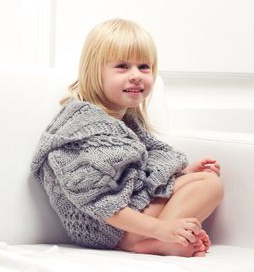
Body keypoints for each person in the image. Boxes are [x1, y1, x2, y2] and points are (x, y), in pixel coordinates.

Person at [31, 18, 224, 257]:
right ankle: (148, 243)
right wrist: (161, 228)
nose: (136, 75)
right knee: (206, 185)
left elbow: (136, 173)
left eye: (144, 67)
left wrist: (181, 174)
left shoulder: (127, 121)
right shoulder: (83, 130)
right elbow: (99, 202)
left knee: (207, 183)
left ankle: (156, 241)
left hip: (130, 213)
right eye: (122, 66)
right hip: (106, 225)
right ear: (95, 71)